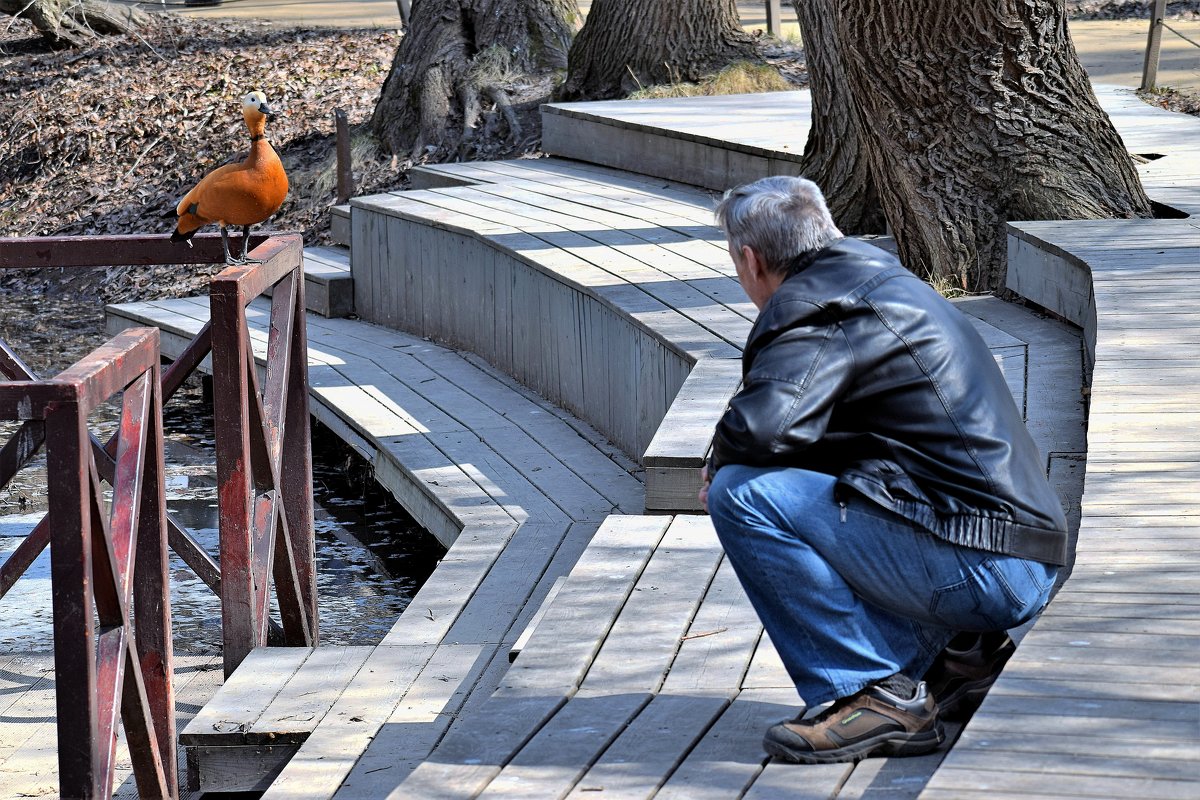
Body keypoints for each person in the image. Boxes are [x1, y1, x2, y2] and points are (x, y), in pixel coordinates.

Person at [699, 176, 1068, 765]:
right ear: (827, 228)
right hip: (1020, 553)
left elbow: (763, 429)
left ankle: (873, 692)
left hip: (988, 565)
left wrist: (719, 457)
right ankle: (956, 659)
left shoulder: (819, 307)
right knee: (799, 485)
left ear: (750, 259)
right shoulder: (878, 280)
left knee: (743, 493)